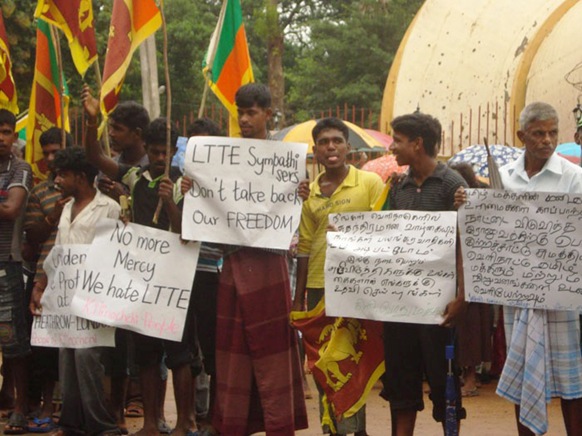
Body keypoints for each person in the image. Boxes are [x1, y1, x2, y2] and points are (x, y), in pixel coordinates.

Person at [83, 86, 198, 436]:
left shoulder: (183, 184)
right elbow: (98, 159)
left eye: (166, 152)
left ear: (174, 151)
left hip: (177, 282)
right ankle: (149, 422)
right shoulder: (134, 178)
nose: (161, 157)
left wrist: (173, 202)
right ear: (146, 150)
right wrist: (91, 124)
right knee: (146, 354)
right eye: (155, 151)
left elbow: (188, 233)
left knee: (180, 356)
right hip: (144, 281)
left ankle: (185, 421)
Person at [472, 102, 582, 435]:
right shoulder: (503, 179)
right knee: (523, 375)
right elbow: (492, 231)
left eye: (552, 132)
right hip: (518, 294)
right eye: (538, 133)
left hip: (562, 296)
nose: (547, 140)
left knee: (572, 382)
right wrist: (470, 207)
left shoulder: (574, 178)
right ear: (522, 136)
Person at [212, 83, 308, 435]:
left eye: (252, 112)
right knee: (233, 353)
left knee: (273, 351)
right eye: (240, 112)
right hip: (234, 264)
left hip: (270, 264)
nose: (244, 119)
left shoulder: (286, 159)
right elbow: (207, 206)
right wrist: (195, 192)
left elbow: (298, 214)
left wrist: (301, 193)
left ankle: (279, 425)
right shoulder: (222, 157)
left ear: (268, 114)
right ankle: (233, 425)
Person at [292, 117, 384, 435]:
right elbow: (304, 246)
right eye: (324, 142)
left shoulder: (369, 184)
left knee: (353, 366)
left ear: (348, 146)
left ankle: (354, 431)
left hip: (356, 287)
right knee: (323, 366)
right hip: (319, 289)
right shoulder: (310, 194)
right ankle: (331, 429)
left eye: (337, 141)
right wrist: (298, 295)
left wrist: (351, 235)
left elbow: (383, 232)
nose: (331, 147)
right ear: (315, 149)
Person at [382, 112, 467, 435]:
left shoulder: (453, 185)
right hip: (400, 307)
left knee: (445, 384)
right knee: (400, 385)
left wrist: (462, 298)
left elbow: (464, 246)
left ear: (417, 144)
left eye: (398, 141)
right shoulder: (398, 187)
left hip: (439, 309)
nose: (392, 147)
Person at [30, 146, 122, 436]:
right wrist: (41, 285)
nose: (57, 180)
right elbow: (58, 253)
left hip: (95, 297)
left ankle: (100, 425)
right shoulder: (66, 207)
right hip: (65, 297)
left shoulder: (109, 208)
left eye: (63, 175)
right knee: (66, 357)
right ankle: (70, 423)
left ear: (81, 177)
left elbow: (115, 255)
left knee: (87, 359)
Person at [24, 127, 73, 431]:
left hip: (79, 279)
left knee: (75, 347)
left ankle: (71, 407)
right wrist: (52, 216)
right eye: (48, 153)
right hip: (46, 277)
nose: (52, 158)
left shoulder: (87, 188)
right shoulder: (40, 192)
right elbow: (32, 239)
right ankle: (44, 405)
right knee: (43, 348)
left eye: (58, 151)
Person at [0, 109, 33, 434]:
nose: (0, 137)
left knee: (11, 338)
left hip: (5, 265)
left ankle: (21, 406)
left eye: (6, 132)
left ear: (14, 137)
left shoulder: (20, 169)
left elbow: (10, 210)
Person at [448, 162, 492, 397]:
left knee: (471, 326)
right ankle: (459, 375)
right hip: (453, 269)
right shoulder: (449, 201)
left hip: (474, 270)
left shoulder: (481, 198)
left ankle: (471, 377)